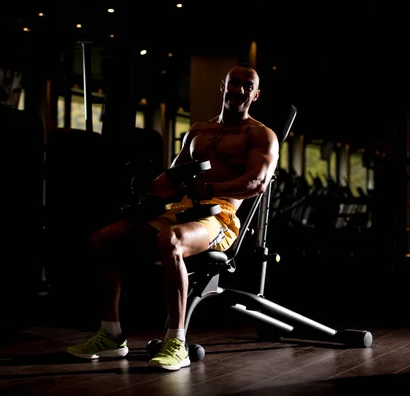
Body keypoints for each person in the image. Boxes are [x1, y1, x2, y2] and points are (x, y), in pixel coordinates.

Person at [66, 63, 280, 371]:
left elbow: (256, 183)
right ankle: (111, 334)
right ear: (223, 85)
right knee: (103, 239)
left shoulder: (261, 135)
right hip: (181, 210)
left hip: (219, 218)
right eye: (235, 83)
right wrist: (146, 183)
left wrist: (209, 187)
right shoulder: (198, 131)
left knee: (170, 240)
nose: (239, 90)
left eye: (248, 86)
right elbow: (172, 179)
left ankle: (176, 342)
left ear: (256, 94)